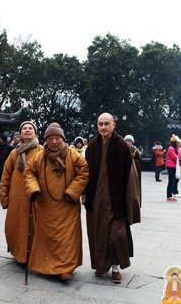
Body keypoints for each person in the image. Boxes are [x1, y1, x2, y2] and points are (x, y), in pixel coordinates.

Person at [23, 122, 89, 281]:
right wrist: (33, 189)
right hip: (46, 205)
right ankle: (48, 266)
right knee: (48, 237)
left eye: (57, 138)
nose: (54, 142)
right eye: (50, 138)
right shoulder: (40, 157)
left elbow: (84, 171)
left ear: (62, 139)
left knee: (67, 239)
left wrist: (72, 191)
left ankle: (66, 268)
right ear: (46, 140)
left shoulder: (72, 154)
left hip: (68, 205)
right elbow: (29, 172)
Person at [84, 112, 141, 283]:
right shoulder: (92, 146)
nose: (103, 127)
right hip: (96, 198)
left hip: (116, 199)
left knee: (117, 234)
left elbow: (130, 177)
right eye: (100, 124)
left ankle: (116, 268)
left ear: (114, 125)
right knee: (98, 234)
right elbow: (84, 173)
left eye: (106, 124)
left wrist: (130, 201)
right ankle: (101, 266)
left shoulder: (122, 146)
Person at [0, 121, 43, 264]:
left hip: (35, 197)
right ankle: (18, 253)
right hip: (16, 198)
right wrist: (4, 198)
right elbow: (5, 176)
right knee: (14, 227)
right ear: (20, 133)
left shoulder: (42, 151)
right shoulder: (14, 152)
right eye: (25, 128)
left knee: (33, 227)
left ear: (35, 133)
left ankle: (31, 255)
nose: (28, 130)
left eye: (31, 128)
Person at [165, 135, 181, 201]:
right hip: (171, 166)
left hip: (174, 166)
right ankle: (169, 196)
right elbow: (175, 158)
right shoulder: (171, 149)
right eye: (177, 142)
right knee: (171, 181)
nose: (178, 144)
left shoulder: (174, 148)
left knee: (173, 181)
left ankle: (172, 194)